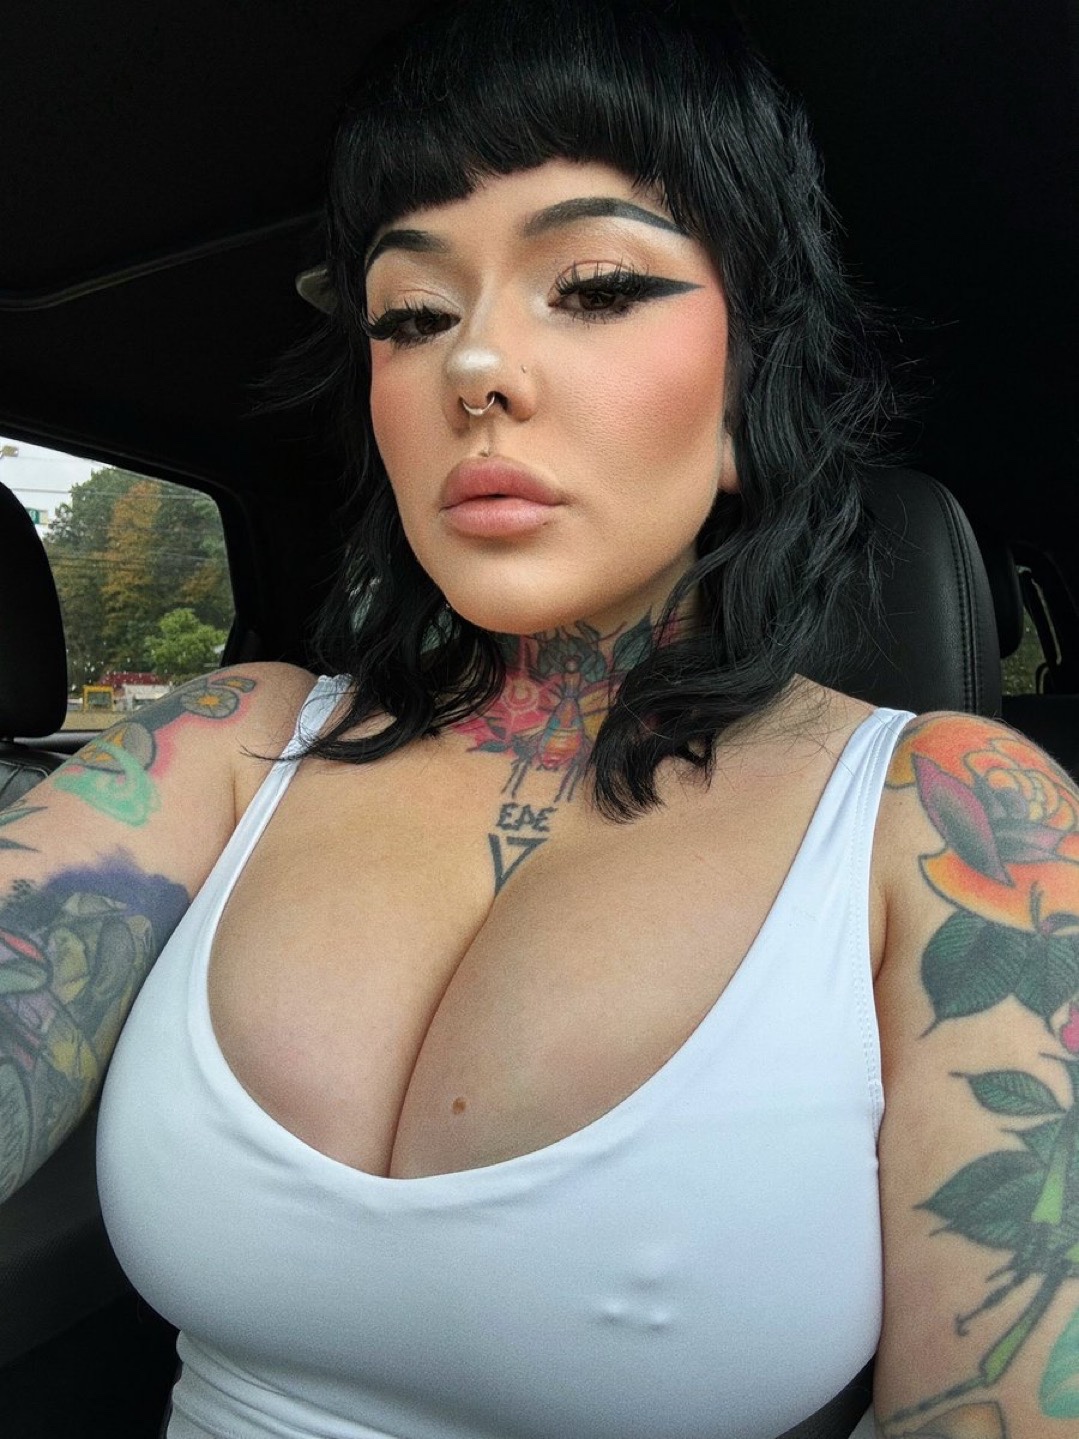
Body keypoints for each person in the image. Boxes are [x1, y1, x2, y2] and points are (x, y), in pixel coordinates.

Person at [2, 2, 1076, 1436]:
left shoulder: (963, 827)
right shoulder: (219, 748)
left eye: (596, 286)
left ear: (751, 380)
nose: (474, 367)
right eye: (413, 315)